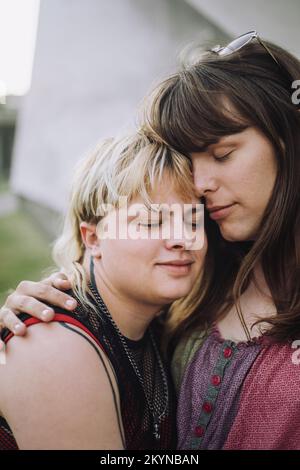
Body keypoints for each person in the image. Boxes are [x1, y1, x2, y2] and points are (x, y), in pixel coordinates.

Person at [1, 31, 300, 449]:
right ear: (92, 236)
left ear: (288, 140)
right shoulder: (203, 282)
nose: (201, 182)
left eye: (222, 154)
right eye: (153, 222)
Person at [0, 132, 206, 450]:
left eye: (193, 220)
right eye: (151, 222)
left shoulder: (161, 325)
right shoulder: (53, 343)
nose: (182, 238)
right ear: (93, 238)